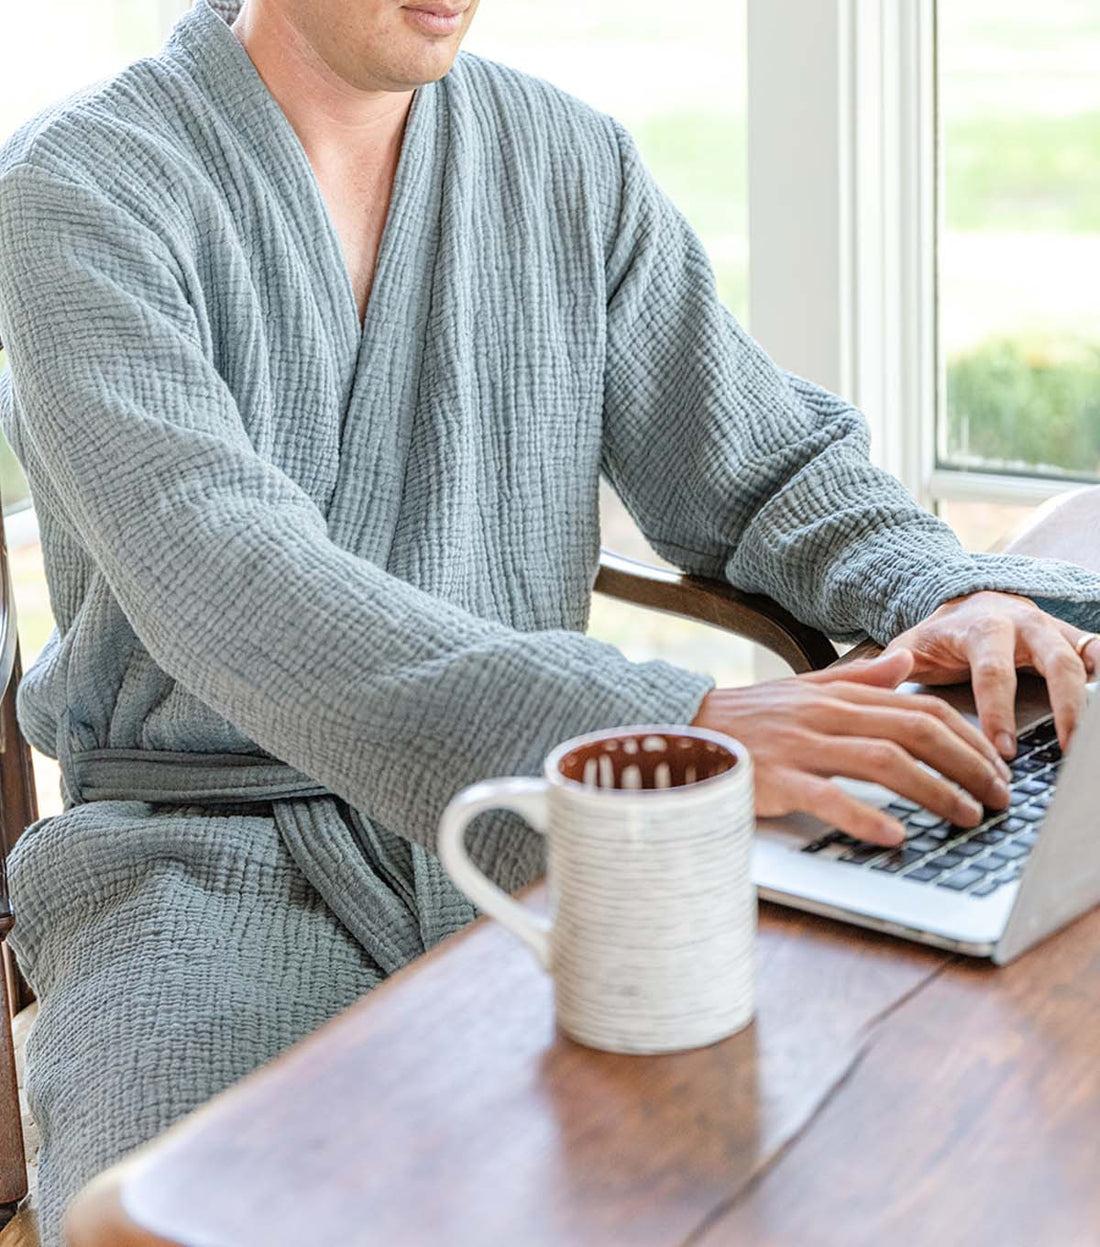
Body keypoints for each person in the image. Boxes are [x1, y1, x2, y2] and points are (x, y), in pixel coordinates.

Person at [0, 0, 1097, 1239]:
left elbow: (762, 468)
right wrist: (673, 723)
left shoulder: (567, 162)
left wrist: (941, 589)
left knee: (828, 1158)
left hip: (547, 842)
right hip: (202, 864)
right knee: (178, 1216)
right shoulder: (81, 188)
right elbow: (224, 571)